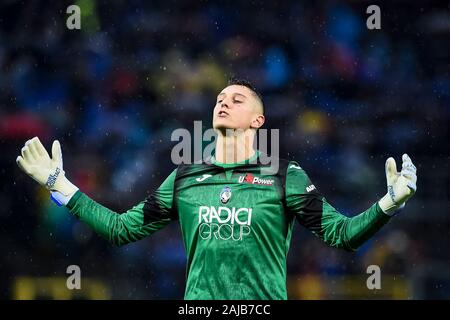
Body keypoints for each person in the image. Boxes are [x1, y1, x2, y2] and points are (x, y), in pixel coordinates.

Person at [15, 79, 417, 300]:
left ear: (258, 121)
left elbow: (342, 235)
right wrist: (58, 184)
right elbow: (122, 229)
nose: (224, 102)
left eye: (237, 99)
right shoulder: (185, 177)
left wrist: (389, 203)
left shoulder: (283, 174)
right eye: (220, 98)